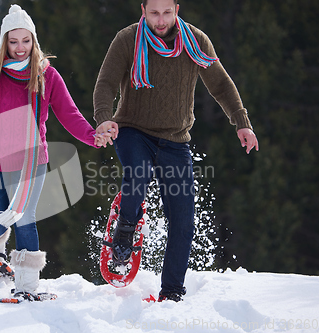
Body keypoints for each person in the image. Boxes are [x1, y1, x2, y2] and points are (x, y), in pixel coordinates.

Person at [93, 0, 259, 302]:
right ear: (143, 10)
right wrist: (105, 118)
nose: (160, 20)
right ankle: (126, 230)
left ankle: (172, 292)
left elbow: (220, 85)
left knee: (183, 220)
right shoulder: (127, 38)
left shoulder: (196, 41)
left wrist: (241, 123)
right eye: (154, 13)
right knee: (138, 174)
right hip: (132, 130)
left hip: (176, 139)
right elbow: (105, 83)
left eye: (166, 12)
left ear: (177, 10)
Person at [0, 4, 108, 299]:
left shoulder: (47, 76)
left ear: (34, 40)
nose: (20, 48)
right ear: (4, 41)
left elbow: (69, 115)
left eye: (26, 40)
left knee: (24, 217)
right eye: (14, 41)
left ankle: (27, 288)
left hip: (31, 162)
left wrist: (92, 137)